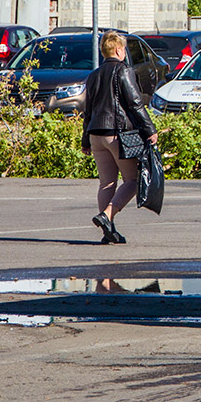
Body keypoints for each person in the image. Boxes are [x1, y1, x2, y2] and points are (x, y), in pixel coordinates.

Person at [81, 30, 158, 244]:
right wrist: (150, 130)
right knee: (133, 180)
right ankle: (107, 215)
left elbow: (88, 110)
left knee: (106, 183)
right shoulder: (124, 71)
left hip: (96, 134)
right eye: (123, 48)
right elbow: (135, 103)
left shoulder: (94, 75)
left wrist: (85, 140)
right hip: (117, 134)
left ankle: (109, 232)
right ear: (118, 50)